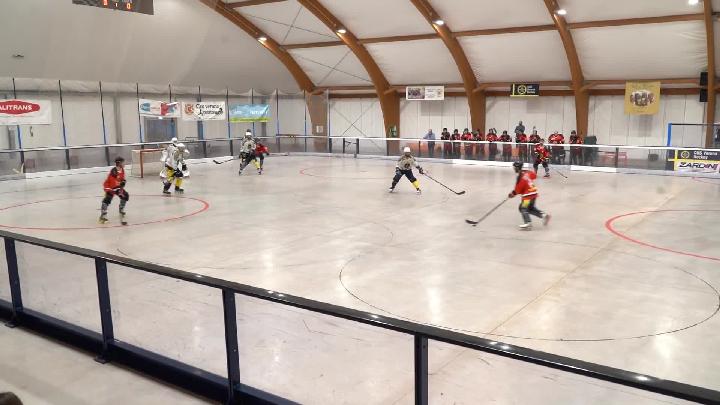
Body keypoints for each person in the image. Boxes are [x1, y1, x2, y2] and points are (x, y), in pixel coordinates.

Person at [508, 161, 550, 231]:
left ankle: (528, 223)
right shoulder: (527, 172)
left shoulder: (520, 177)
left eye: (514, 167)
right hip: (534, 193)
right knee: (530, 208)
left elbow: (518, 190)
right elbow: (534, 176)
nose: (514, 169)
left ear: (517, 168)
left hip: (528, 196)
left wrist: (512, 194)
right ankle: (544, 215)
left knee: (523, 208)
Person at [99, 157, 129, 225]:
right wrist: (119, 187)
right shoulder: (113, 172)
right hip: (109, 187)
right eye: (123, 162)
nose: (124, 164)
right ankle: (103, 216)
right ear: (119, 163)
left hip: (117, 187)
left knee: (125, 195)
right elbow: (112, 184)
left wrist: (123, 182)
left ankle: (121, 209)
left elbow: (122, 178)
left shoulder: (122, 170)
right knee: (107, 199)